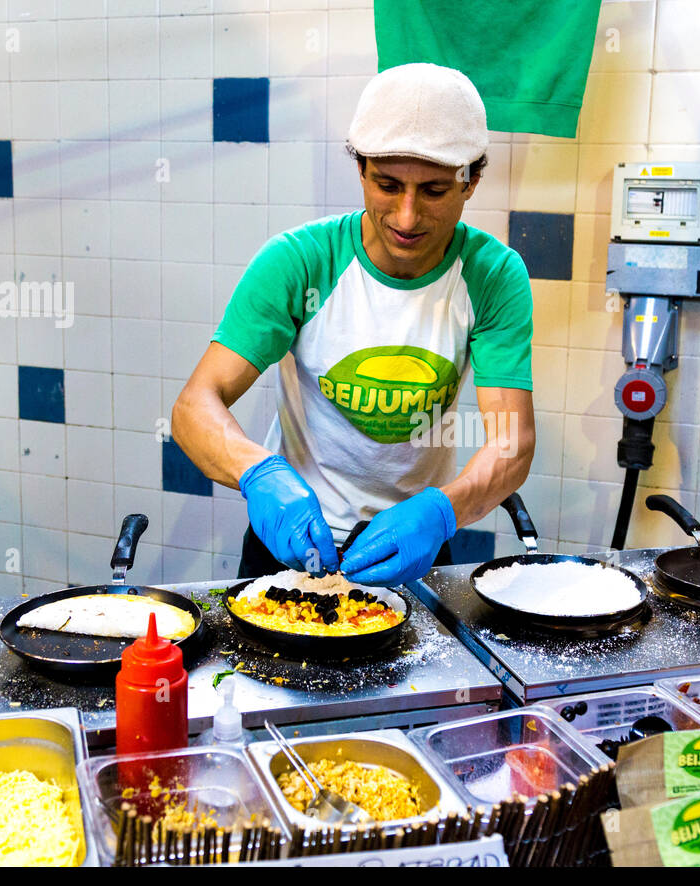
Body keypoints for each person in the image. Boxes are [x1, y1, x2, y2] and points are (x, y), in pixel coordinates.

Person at [172, 63, 535, 588]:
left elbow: (511, 441)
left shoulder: (492, 276)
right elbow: (194, 406)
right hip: (294, 547)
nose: (407, 218)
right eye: (387, 185)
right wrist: (258, 474)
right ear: (361, 169)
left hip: (414, 547)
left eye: (433, 191)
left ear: (471, 181)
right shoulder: (299, 262)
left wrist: (441, 512)